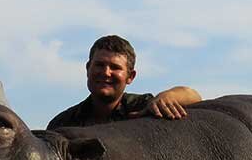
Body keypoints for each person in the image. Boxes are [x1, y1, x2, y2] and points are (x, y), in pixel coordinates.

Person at [46, 35, 201, 130]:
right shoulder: (62, 124)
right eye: (99, 65)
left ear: (130, 77)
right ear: (88, 68)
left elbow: (193, 96)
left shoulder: (146, 108)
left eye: (115, 67)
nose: (106, 72)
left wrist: (166, 98)